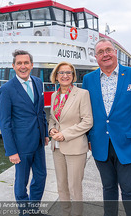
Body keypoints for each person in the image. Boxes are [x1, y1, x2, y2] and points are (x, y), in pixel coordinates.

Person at [82, 38, 131, 216]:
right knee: (108, 187)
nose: (105, 55)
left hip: (126, 143)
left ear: (115, 52)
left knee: (129, 189)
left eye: (108, 50)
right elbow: (86, 112)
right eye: (100, 52)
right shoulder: (88, 79)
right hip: (99, 143)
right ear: (96, 57)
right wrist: (89, 138)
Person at [0, 50, 49, 215]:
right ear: (13, 66)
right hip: (21, 145)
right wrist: (11, 151)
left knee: (41, 177)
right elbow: (5, 122)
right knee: (21, 182)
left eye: (26, 63)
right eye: (19, 63)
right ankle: (24, 212)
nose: (23, 66)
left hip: (39, 142)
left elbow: (40, 111)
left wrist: (46, 132)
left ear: (32, 65)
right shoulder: (7, 89)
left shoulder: (38, 82)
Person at [48, 61, 93, 216]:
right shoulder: (54, 95)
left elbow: (87, 121)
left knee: (74, 187)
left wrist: (65, 134)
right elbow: (53, 118)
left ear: (73, 76)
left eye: (68, 73)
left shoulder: (82, 94)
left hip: (75, 147)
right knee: (61, 186)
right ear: (56, 76)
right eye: (61, 73)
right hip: (57, 148)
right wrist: (51, 129)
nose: (65, 75)